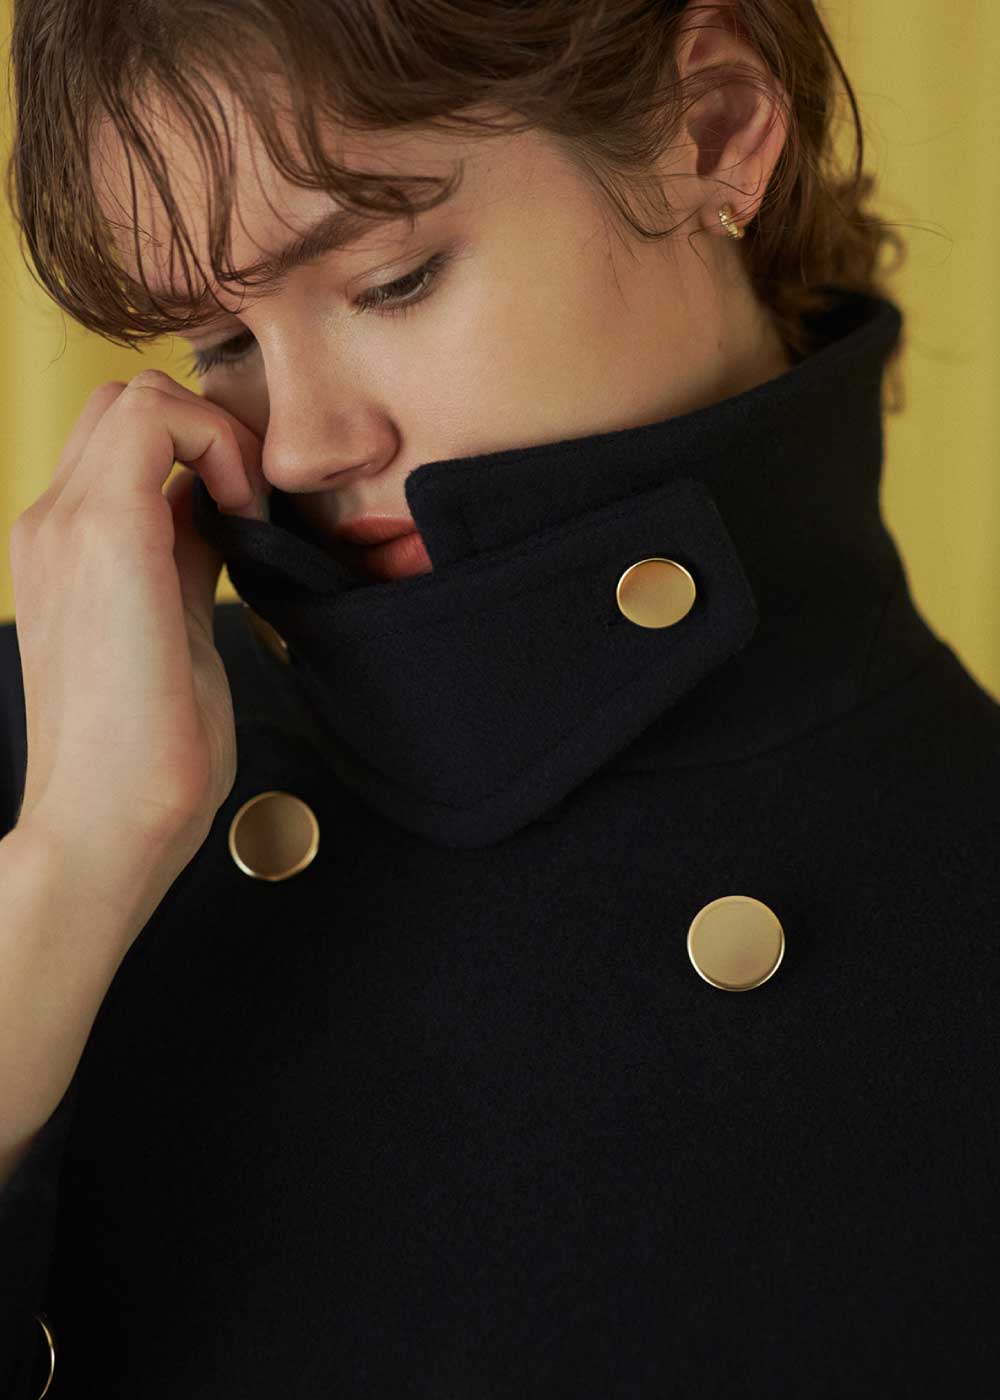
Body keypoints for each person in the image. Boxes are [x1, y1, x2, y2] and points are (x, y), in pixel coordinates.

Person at [1, 0, 997, 1395]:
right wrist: (66, 875)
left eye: (392, 280)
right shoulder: (50, 769)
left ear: (712, 127)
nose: (302, 444)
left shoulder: (961, 888)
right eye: (221, 344)